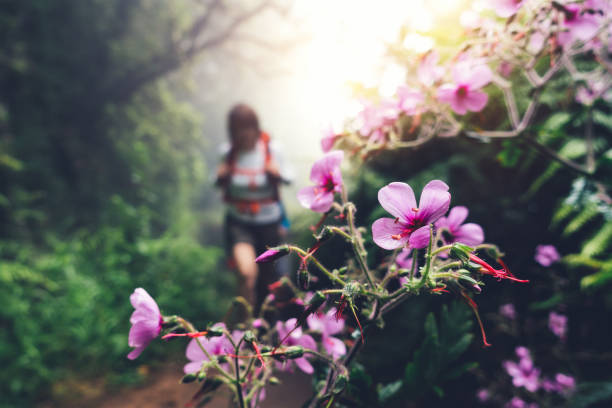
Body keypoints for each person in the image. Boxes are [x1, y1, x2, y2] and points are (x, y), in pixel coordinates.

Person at [215, 104, 291, 312]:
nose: (244, 134)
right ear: (232, 132)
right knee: (246, 273)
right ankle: (244, 330)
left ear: (256, 127)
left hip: (269, 224)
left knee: (269, 282)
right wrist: (222, 175)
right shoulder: (227, 153)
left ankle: (266, 329)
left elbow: (289, 177)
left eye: (247, 127)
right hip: (239, 224)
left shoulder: (273, 150)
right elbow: (219, 184)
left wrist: (276, 173)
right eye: (238, 129)